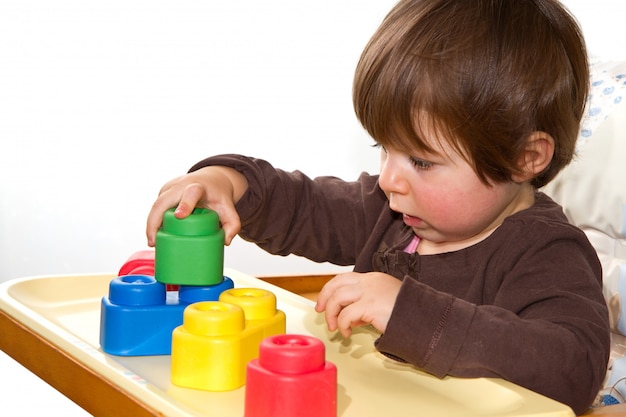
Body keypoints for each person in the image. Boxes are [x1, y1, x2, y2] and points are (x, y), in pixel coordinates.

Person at [145, 0, 610, 413]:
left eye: (422, 162)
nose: (389, 178)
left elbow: (573, 367)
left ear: (523, 159)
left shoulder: (548, 253)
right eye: (383, 149)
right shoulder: (388, 213)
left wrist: (408, 312)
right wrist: (227, 181)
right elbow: (304, 204)